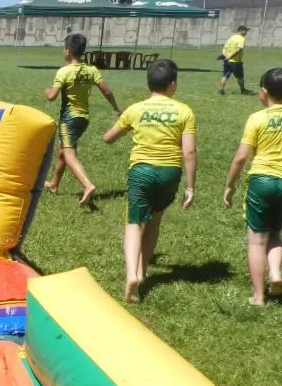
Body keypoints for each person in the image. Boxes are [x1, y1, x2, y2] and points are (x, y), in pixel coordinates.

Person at [102, 59, 196, 303]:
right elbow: (189, 151)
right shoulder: (184, 111)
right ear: (172, 85)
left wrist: (126, 127)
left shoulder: (136, 109)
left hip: (141, 171)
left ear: (149, 83)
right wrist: (190, 186)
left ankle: (131, 274)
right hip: (170, 173)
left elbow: (108, 138)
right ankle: (142, 272)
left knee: (134, 223)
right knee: (154, 220)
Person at [224, 67, 282, 306]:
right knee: (275, 233)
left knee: (257, 240)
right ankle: (276, 273)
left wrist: (230, 186)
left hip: (262, 181)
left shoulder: (257, 119)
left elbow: (241, 157)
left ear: (264, 91)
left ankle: (258, 296)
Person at [43, 33, 121, 206]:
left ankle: (87, 185)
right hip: (83, 119)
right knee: (63, 150)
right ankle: (54, 184)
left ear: (68, 51)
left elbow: (51, 97)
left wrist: (47, 91)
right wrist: (116, 107)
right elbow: (106, 91)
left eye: (64, 48)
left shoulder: (64, 71)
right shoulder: (91, 70)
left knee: (68, 153)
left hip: (69, 118)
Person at [218, 25, 250, 96]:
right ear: (241, 31)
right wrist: (229, 57)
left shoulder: (231, 38)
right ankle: (243, 90)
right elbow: (238, 49)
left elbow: (225, 48)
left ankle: (221, 90)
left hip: (227, 61)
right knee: (240, 76)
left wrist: (224, 56)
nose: (246, 32)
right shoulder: (242, 39)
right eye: (245, 30)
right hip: (236, 62)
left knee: (225, 75)